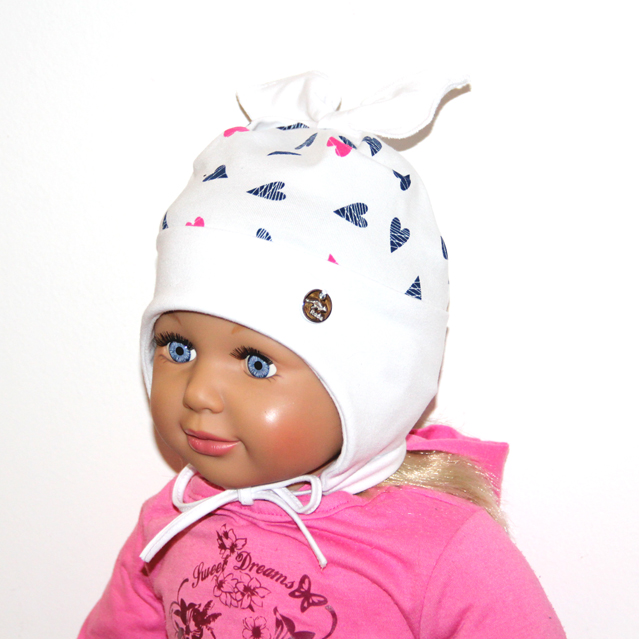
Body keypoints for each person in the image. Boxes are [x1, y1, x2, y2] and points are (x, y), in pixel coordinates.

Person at [78, 71, 566, 638]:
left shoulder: (442, 551)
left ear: (369, 385)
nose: (199, 393)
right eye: (179, 348)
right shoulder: (173, 520)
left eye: (256, 363)